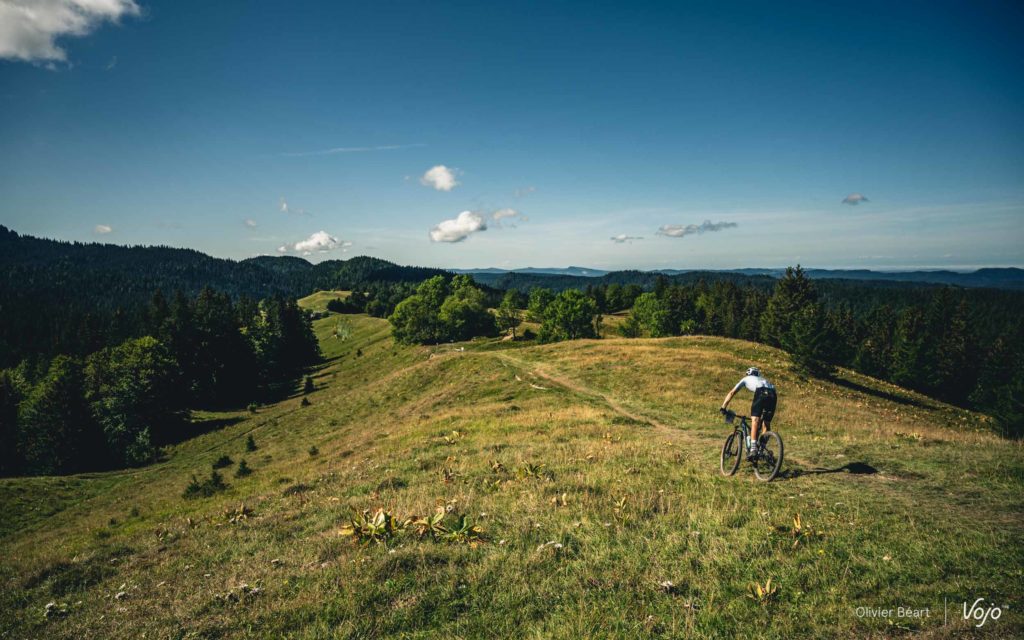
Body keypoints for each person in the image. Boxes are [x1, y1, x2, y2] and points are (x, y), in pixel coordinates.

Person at [721, 367, 777, 459]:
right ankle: (761, 449)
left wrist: (723, 407)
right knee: (766, 424)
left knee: (755, 420)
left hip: (761, 391)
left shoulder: (745, 379)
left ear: (748, 374)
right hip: (773, 393)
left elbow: (732, 393)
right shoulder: (763, 379)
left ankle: (753, 450)